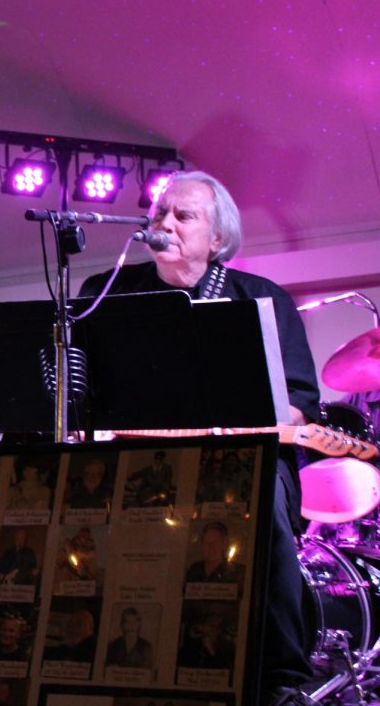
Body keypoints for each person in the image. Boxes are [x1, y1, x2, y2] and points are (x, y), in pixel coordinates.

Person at [79, 171, 319, 702]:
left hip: (242, 454)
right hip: (136, 456)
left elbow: (301, 405)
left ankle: (284, 676)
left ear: (217, 239)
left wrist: (253, 422)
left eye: (183, 215)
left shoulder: (262, 298)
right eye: (160, 213)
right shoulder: (108, 292)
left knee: (267, 505)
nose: (165, 223)